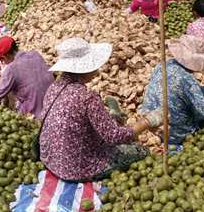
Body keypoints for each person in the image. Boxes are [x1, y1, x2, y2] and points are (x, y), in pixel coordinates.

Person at [39, 37, 159, 182]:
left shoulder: (54, 87)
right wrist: (147, 122)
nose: (98, 68)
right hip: (76, 169)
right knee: (141, 151)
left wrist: (111, 118)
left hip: (51, 161)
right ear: (85, 69)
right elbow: (114, 137)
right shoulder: (87, 98)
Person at [139, 35, 204, 145]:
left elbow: (180, 91)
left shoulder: (162, 65)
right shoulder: (187, 79)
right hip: (173, 133)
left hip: (150, 125)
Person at [0, 36, 53, 120]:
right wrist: (3, 78)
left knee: (10, 96)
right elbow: (27, 74)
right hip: (51, 109)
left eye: (2, 61)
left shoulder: (11, 68)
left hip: (34, 116)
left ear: (4, 57)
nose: (4, 63)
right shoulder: (35, 54)